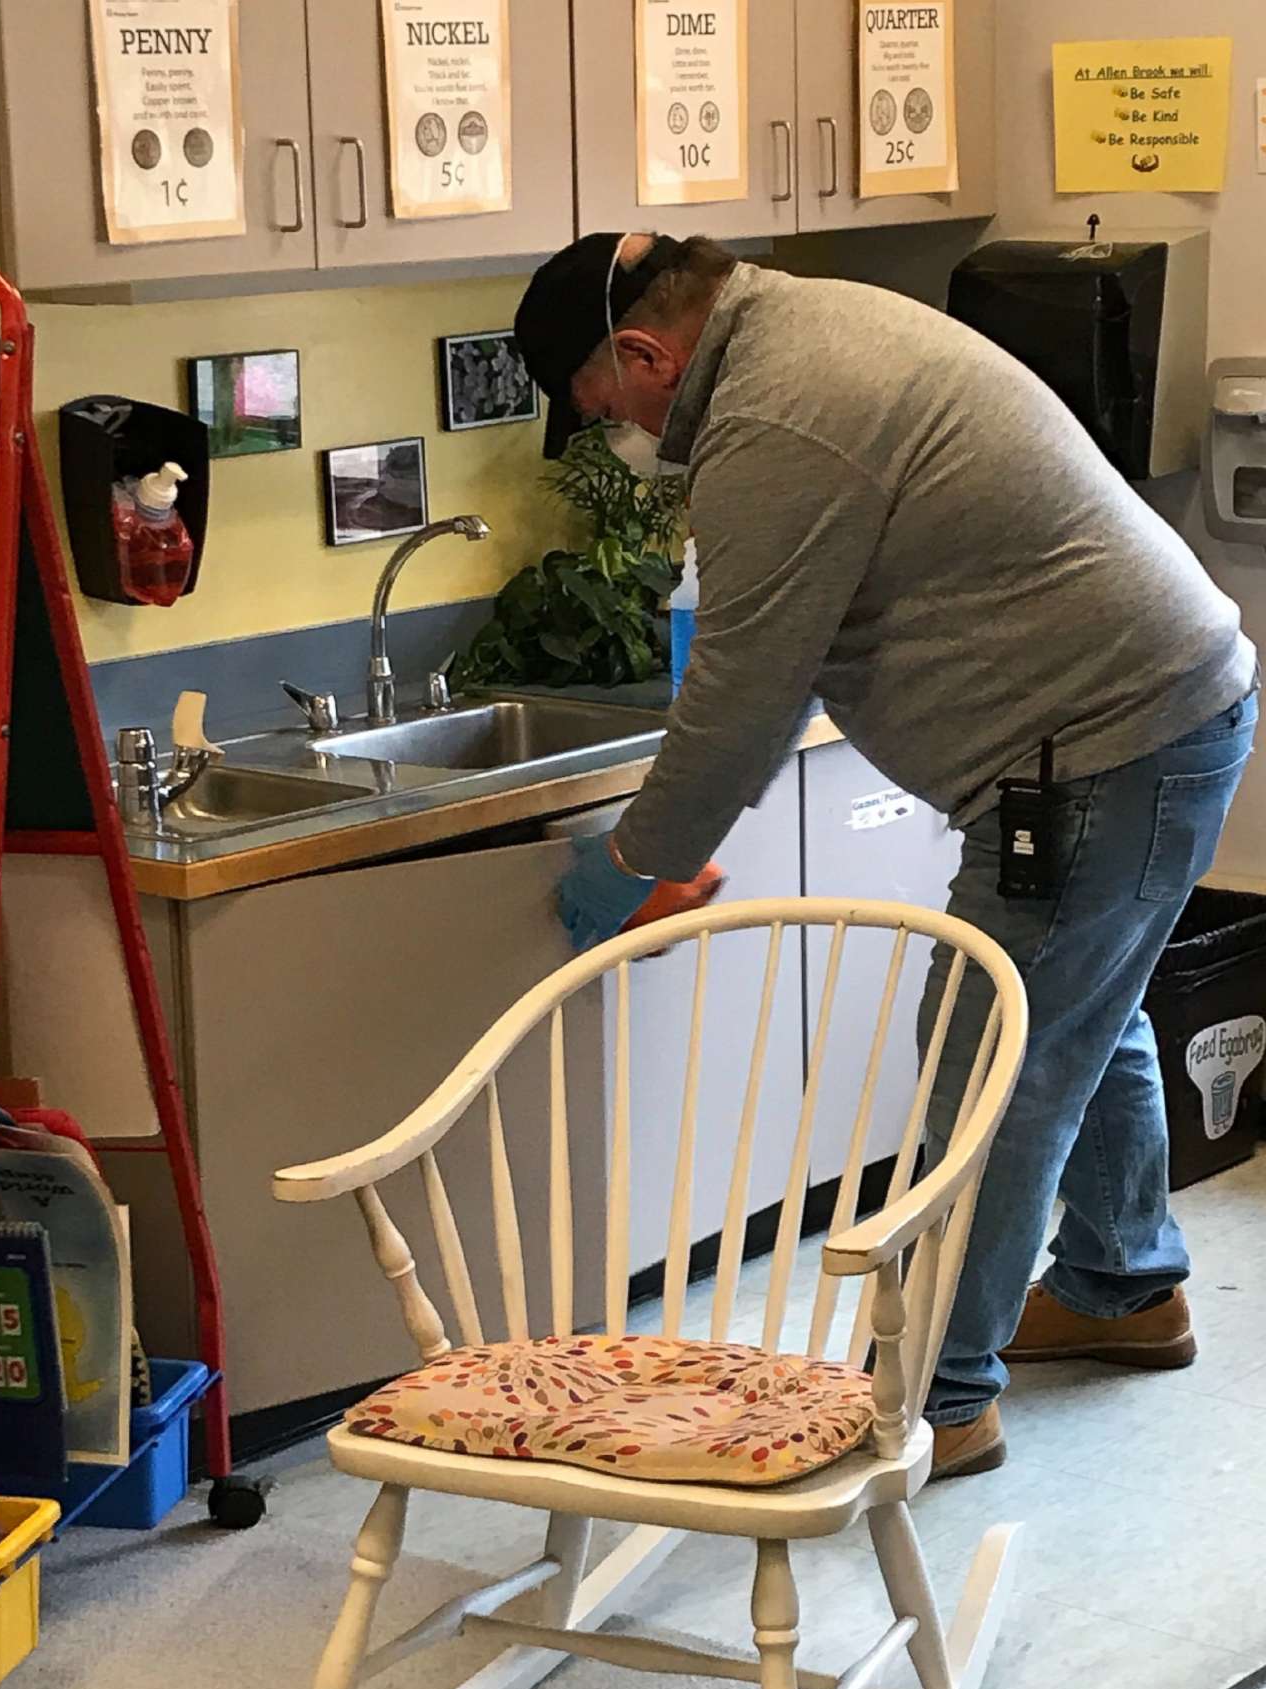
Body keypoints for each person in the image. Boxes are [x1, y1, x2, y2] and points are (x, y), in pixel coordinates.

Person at [514, 232, 1258, 1479]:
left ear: (646, 353)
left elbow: (745, 691)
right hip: (1166, 716)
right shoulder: (807, 328)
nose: (621, 438)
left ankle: (933, 1395)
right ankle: (1127, 1288)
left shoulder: (775, 417)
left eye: (605, 411)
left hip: (1103, 752)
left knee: (993, 1065)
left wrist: (634, 863)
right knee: (1080, 1017)